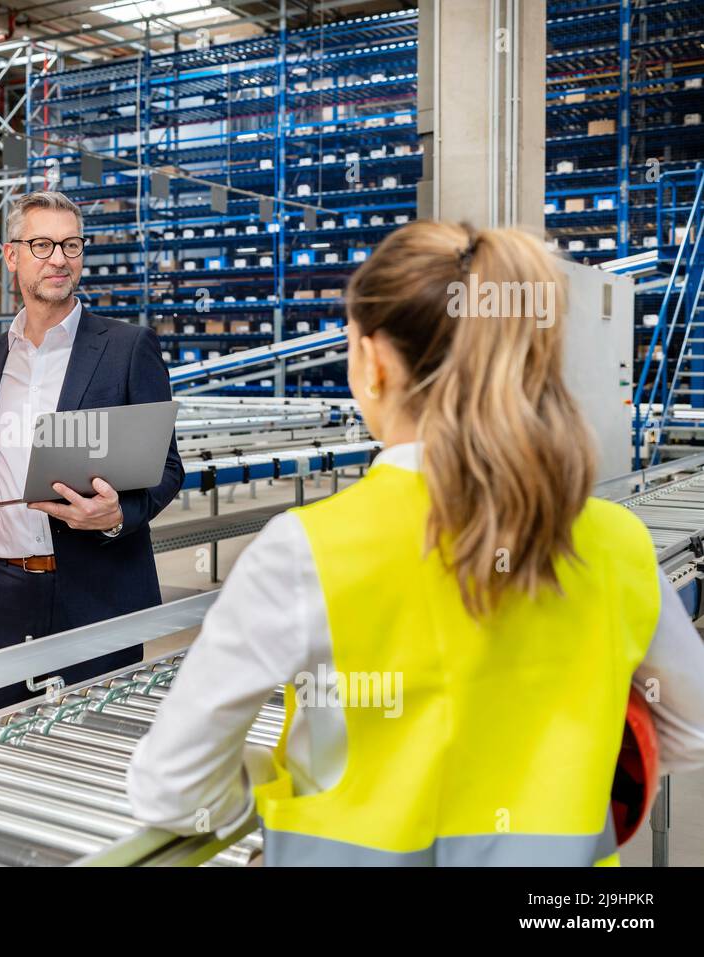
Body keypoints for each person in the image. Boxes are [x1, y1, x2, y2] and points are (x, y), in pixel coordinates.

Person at [127, 220, 704, 866]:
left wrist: (261, 794)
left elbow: (173, 787)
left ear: (373, 363)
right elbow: (693, 728)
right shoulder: (616, 542)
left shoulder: (307, 550)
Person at [0, 190, 184, 716]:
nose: (59, 258)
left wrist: (120, 514)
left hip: (96, 588)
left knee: (99, 738)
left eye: (71, 245)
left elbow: (169, 468)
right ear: (11, 257)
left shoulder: (127, 347)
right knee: (1, 744)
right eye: (42, 244)